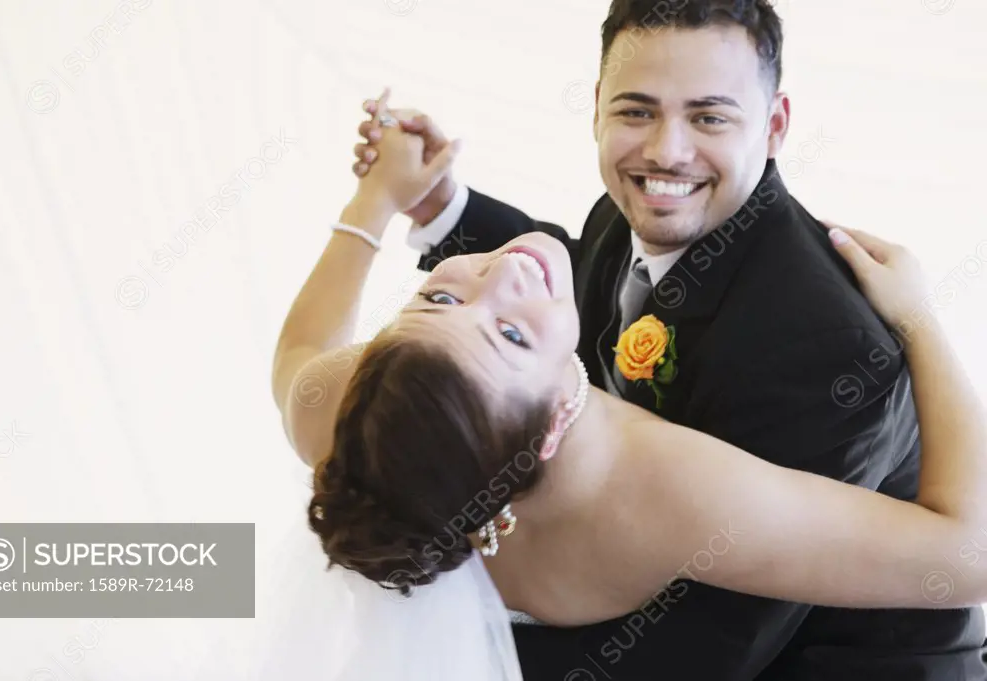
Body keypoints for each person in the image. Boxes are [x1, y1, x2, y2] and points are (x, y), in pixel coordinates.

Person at [347, 2, 987, 679]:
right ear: (597, 107)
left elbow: (710, 642)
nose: (665, 151)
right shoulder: (637, 207)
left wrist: (441, 640)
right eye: (636, 111)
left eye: (708, 117)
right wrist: (442, 205)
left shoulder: (823, 347)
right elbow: (569, 275)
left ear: (774, 126)